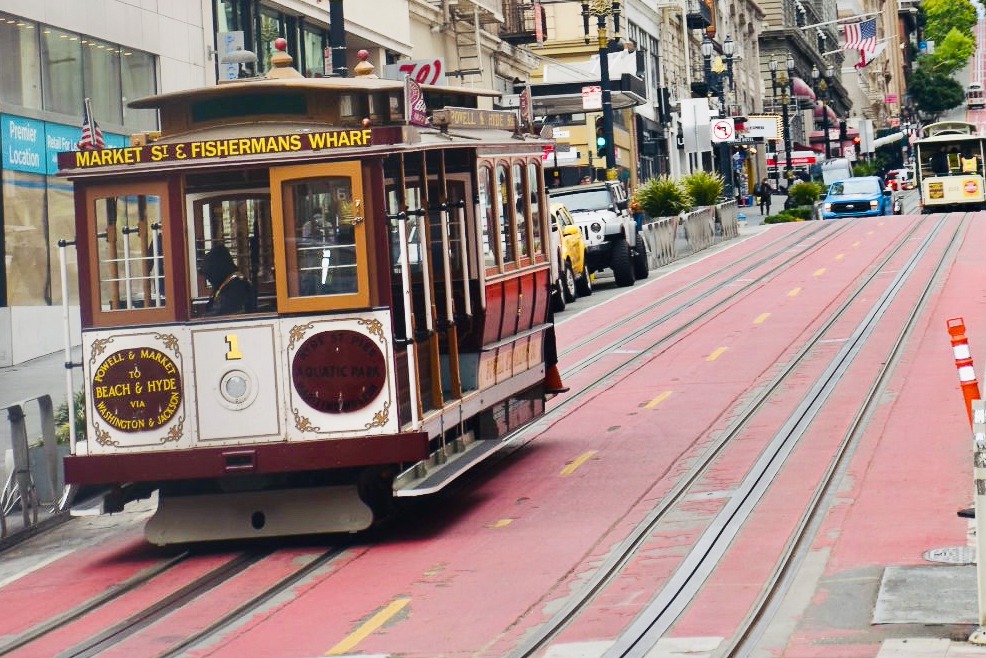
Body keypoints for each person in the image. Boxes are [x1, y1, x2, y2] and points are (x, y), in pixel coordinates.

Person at [201, 244, 254, 315]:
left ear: (218, 270)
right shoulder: (228, 283)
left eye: (209, 275)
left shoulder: (236, 287)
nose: (209, 280)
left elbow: (220, 314)